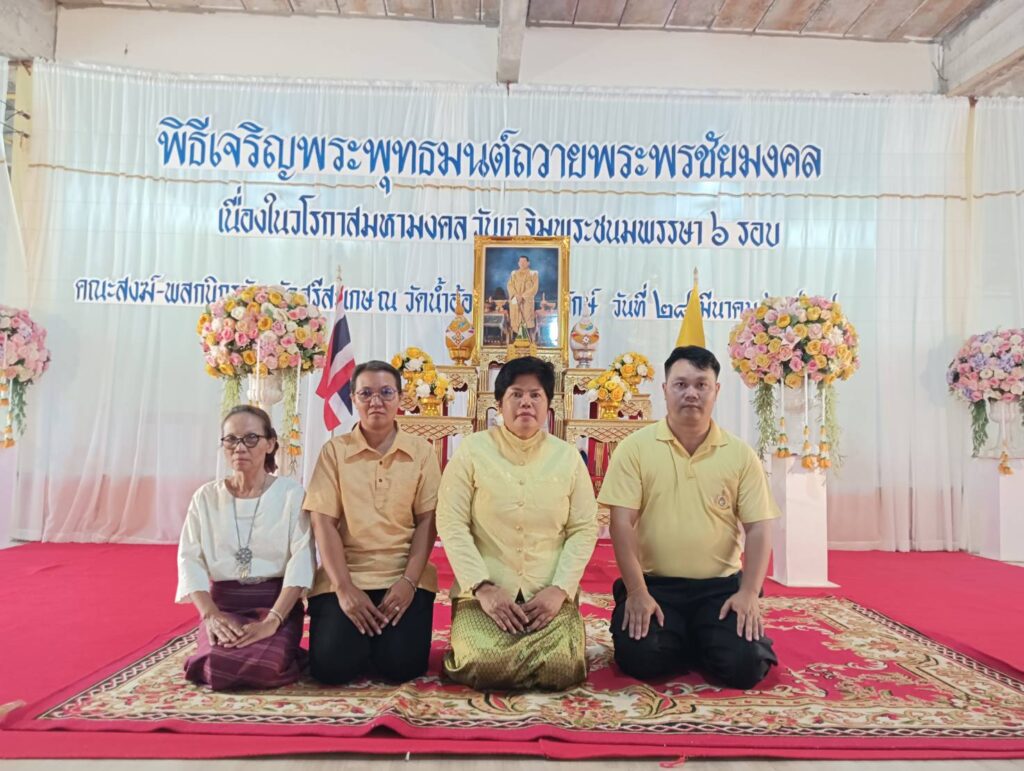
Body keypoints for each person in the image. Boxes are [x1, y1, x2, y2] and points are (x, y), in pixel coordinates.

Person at [599, 346, 779, 690]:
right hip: (655, 587)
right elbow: (621, 523)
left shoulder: (740, 455)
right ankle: (695, 638)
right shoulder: (635, 448)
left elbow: (758, 527)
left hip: (720, 589)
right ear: (665, 390)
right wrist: (636, 591)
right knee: (642, 659)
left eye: (701, 384)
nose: (691, 393)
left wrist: (749, 593)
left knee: (746, 667)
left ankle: (702, 636)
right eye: (681, 384)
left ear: (717, 390)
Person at [437, 356, 598, 691]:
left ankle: (525, 656)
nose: (526, 402)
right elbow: (451, 522)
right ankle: (517, 655)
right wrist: (482, 587)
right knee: (477, 661)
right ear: (499, 403)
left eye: (536, 395)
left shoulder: (567, 457)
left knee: (565, 666)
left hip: (547, 593)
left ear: (548, 406)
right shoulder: (472, 451)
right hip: (486, 592)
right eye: (516, 394)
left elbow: (583, 527)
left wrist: (560, 589)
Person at [304, 360, 440, 684]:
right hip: (347, 573)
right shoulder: (334, 452)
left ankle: (379, 641)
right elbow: (322, 521)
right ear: (353, 398)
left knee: (402, 668)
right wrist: (345, 588)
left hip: (403, 576)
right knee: (330, 668)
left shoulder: (422, 451)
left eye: (385, 392)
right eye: (366, 393)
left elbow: (427, 521)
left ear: (400, 399)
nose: (376, 401)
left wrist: (408, 582)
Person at [176, 405, 314, 691]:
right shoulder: (205, 497)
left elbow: (302, 562)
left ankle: (282, 646)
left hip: (275, 603)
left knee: (264, 668)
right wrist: (211, 615)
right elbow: (190, 560)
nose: (240, 448)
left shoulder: (291, 494)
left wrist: (273, 621)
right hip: (224, 604)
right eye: (231, 440)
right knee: (217, 665)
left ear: (270, 443)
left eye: (250, 438)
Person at [507, 255, 539, 341]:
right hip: (515, 299)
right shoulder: (514, 273)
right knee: (515, 318)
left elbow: (534, 288)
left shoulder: (533, 273)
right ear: (518, 263)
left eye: (524, 261)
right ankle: (515, 340)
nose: (522, 263)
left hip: (527, 300)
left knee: (527, 319)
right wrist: (516, 296)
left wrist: (523, 296)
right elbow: (510, 286)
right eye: (520, 262)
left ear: (528, 263)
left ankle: (528, 342)